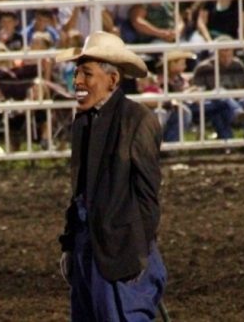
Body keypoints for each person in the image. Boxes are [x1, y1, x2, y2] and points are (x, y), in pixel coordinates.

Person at [56, 31, 166, 320]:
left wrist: (136, 256)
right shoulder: (82, 123)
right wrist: (70, 244)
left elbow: (147, 198)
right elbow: (79, 190)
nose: (77, 82)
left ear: (112, 80)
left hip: (120, 251)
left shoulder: (139, 121)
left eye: (87, 74)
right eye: (77, 73)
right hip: (88, 247)